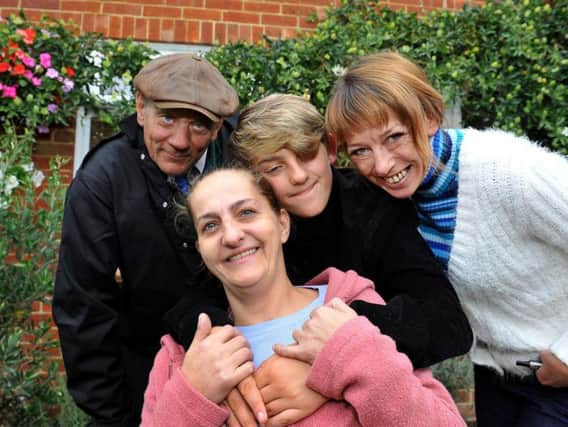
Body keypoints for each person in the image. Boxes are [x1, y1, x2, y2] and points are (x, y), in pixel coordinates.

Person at [325, 51, 568, 427]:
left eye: (394, 137)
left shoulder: (511, 172)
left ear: (430, 118)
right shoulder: (390, 201)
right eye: (361, 151)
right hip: (496, 378)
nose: (383, 165)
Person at [141, 167, 466, 427]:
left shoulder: (349, 315)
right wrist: (191, 396)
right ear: (200, 249)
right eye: (210, 226)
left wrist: (351, 356)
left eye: (247, 213)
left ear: (282, 224)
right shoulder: (182, 357)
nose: (232, 235)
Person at [218, 93, 471, 425]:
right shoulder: (246, 225)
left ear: (331, 150)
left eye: (307, 154)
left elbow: (447, 323)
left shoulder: (374, 207)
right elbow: (192, 303)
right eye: (275, 167)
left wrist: (330, 359)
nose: (298, 175)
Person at [52, 53, 239, 426]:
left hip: (241, 366)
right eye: (167, 119)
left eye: (198, 126)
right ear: (141, 109)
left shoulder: (242, 160)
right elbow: (83, 306)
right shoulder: (103, 180)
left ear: (218, 126)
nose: (180, 141)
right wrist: (114, 413)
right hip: (143, 373)